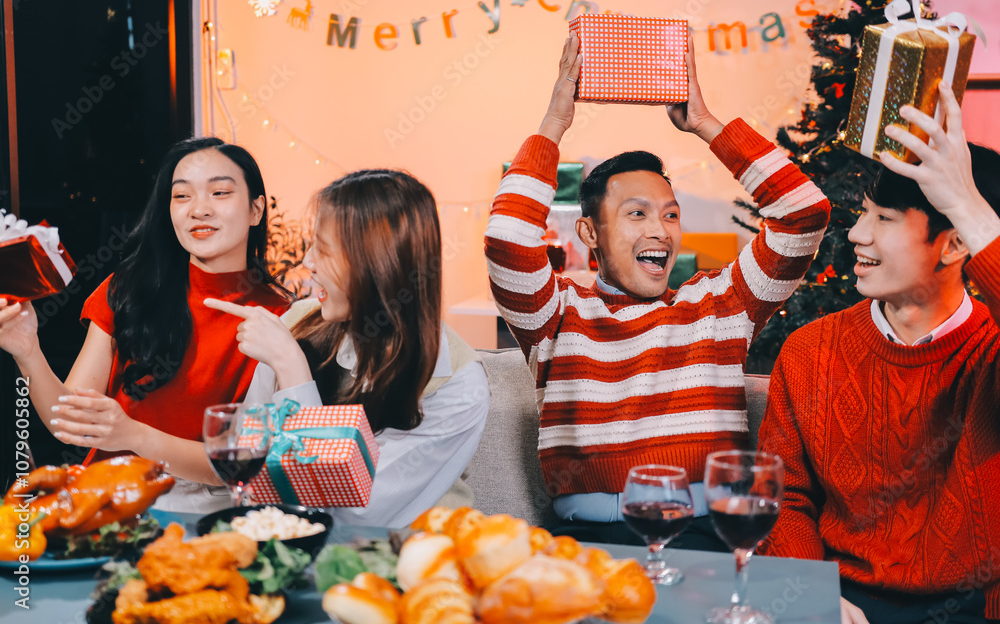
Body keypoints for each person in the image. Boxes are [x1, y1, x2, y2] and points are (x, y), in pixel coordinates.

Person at [484, 32, 831, 546]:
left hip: (708, 533)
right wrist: (555, 122)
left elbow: (803, 214)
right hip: (592, 538)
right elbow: (506, 238)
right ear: (589, 233)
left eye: (671, 215)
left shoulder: (719, 306)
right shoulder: (556, 315)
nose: (659, 231)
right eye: (636, 214)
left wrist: (708, 126)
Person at [757, 82, 1000, 623]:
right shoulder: (809, 350)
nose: (857, 236)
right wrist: (809, 596)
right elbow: (782, 498)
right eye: (863, 213)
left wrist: (964, 201)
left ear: (957, 242)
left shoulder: (990, 352)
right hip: (840, 600)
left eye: (885, 220)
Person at [0, 138, 292, 511]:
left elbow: (242, 465)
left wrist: (132, 434)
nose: (199, 210)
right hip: (101, 503)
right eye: (182, 196)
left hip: (197, 516)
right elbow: (70, 423)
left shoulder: (279, 319)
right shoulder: (129, 290)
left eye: (219, 192)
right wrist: (28, 352)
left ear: (255, 210)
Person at [207, 169, 490, 528]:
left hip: (403, 564)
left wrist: (292, 368)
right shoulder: (299, 322)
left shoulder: (457, 385)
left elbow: (350, 512)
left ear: (379, 263)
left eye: (323, 250)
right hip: (286, 542)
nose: (306, 262)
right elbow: (251, 462)